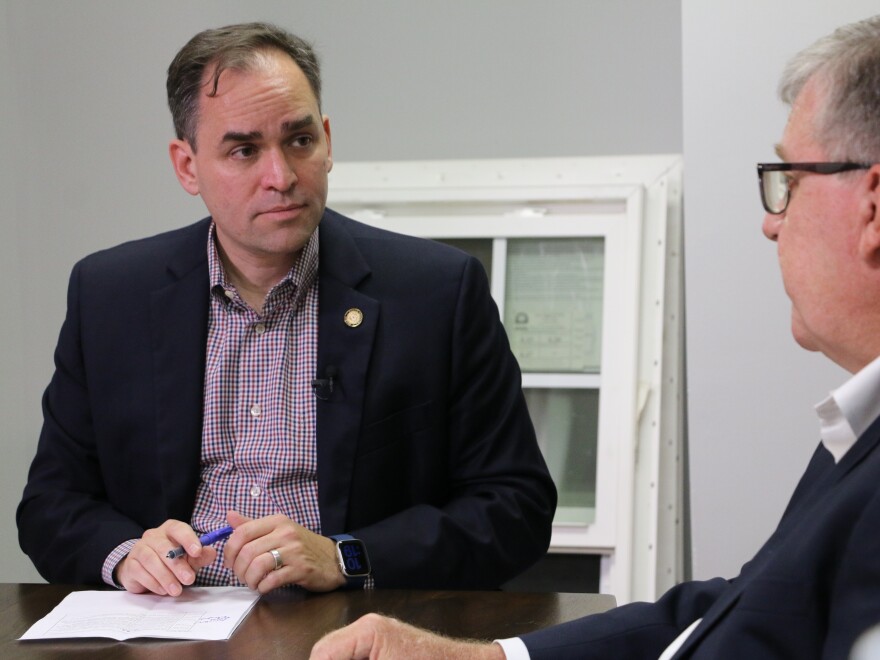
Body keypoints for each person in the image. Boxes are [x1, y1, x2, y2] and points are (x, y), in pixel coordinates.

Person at [309, 14, 880, 659]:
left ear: (873, 207)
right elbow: (739, 606)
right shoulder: (856, 433)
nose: (772, 224)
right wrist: (488, 658)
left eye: (790, 182)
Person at [16, 22, 556, 597]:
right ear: (187, 166)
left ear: (326, 140)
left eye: (299, 141)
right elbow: (52, 503)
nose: (281, 177)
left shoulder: (436, 294)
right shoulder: (110, 296)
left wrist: (349, 556)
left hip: (348, 625)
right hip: (170, 626)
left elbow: (515, 506)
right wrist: (126, 557)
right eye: (244, 150)